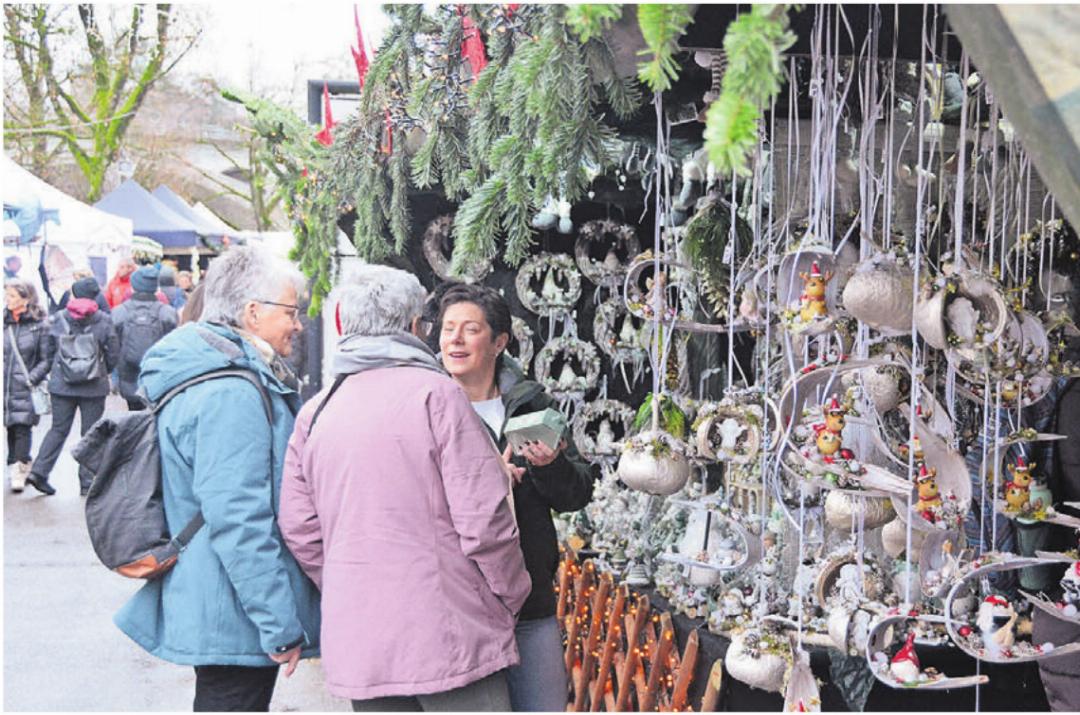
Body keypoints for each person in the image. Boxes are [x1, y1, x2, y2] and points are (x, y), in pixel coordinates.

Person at [278, 264, 530, 712]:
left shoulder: (317, 410)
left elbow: (298, 526)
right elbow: (484, 521)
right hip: (450, 631)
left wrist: (347, 577)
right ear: (416, 326)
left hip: (361, 634)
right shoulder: (437, 396)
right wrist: (511, 593)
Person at [113, 245, 320, 712]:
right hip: (232, 607)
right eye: (291, 311)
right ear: (253, 312)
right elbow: (239, 518)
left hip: (219, 594)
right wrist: (278, 623)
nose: (298, 324)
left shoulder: (218, 372)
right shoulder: (231, 390)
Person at [436, 283, 597, 712]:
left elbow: (577, 492)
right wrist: (485, 478)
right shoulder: (427, 407)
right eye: (448, 328)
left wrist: (549, 467)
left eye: (469, 329)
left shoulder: (531, 404)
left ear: (499, 342)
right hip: (459, 609)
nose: (454, 339)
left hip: (530, 604)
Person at [27, 280, 120, 496]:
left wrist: (57, 370)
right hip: (93, 386)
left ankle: (39, 471)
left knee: (58, 429)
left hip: (62, 385)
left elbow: (48, 350)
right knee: (90, 432)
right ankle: (87, 482)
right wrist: (103, 369)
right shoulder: (104, 320)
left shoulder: (59, 318)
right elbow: (114, 351)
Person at [4, 279, 53, 492]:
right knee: (11, 426)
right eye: (6, 295)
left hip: (25, 384)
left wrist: (31, 378)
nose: (7, 300)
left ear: (26, 299)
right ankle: (16, 462)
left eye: (12, 296)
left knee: (22, 426)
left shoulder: (39, 325)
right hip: (5, 385)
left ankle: (20, 467)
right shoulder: (4, 322)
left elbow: (46, 358)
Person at [111, 266, 179, 410]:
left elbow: (113, 345)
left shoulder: (119, 312)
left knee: (134, 416)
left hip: (128, 373)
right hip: (158, 375)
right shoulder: (168, 313)